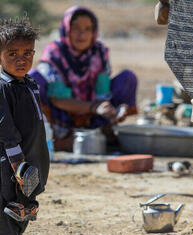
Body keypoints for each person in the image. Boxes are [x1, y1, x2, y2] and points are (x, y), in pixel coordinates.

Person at [0, 17, 50, 235]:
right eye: (12, 54)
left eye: (27, 53)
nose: (22, 59)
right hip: (9, 162)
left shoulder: (28, 83)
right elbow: (5, 129)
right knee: (9, 203)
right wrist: (17, 163)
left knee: (24, 201)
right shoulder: (2, 88)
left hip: (29, 156)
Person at [29, 6, 138, 151]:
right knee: (32, 78)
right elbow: (58, 99)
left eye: (88, 29)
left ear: (94, 32)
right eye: (76, 28)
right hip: (61, 116)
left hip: (94, 116)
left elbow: (102, 93)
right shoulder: (54, 53)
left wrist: (112, 110)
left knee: (127, 78)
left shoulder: (99, 52)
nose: (82, 34)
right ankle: (57, 140)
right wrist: (94, 107)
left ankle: (103, 132)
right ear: (66, 29)